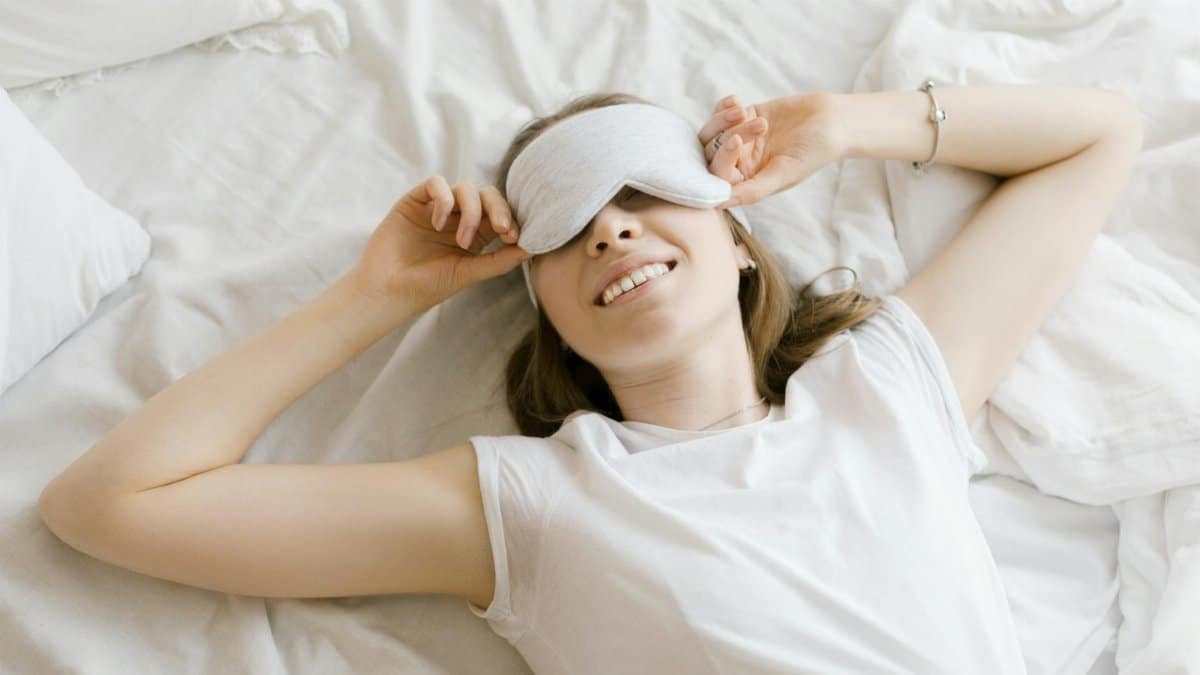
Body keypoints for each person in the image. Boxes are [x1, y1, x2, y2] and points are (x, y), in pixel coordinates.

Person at [38, 84, 1143, 674]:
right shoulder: (545, 501)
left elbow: (1100, 134)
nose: (611, 229)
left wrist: (844, 123)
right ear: (551, 319)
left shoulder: (884, 385)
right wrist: (379, 295)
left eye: (646, 191)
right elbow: (105, 503)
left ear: (738, 239)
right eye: (566, 228)